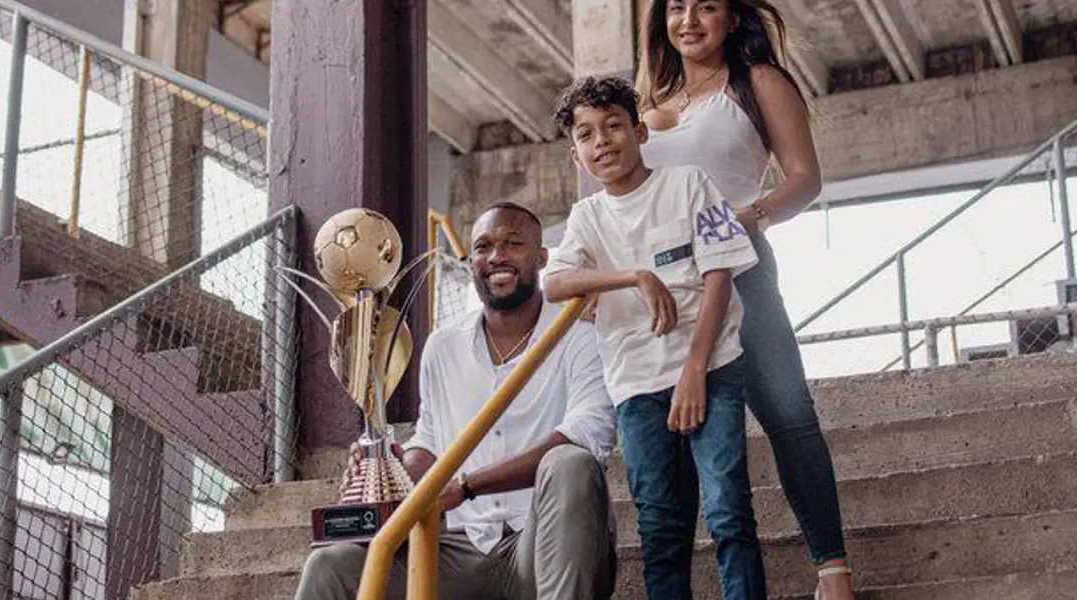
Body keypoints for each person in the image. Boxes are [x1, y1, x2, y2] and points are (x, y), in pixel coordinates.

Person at [634, 1, 854, 599]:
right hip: (667, 293)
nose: (688, 19)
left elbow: (804, 178)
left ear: (732, 19)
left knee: (788, 414)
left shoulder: (757, 82)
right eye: (676, 6)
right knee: (672, 440)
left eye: (705, 5)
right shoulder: (646, 103)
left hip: (742, 272)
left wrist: (745, 218)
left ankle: (832, 569)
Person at [293, 202, 618, 600]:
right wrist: (388, 469)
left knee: (570, 463)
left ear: (541, 256)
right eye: (482, 247)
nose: (496, 256)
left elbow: (588, 435)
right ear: (471, 263)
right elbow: (430, 441)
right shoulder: (443, 345)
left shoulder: (579, 334)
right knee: (333, 565)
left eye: (513, 243)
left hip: (546, 546)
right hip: (463, 551)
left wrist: (467, 486)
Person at [543, 76, 766, 600]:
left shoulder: (690, 183)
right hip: (636, 388)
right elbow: (554, 283)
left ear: (640, 132)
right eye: (587, 135)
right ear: (576, 156)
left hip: (711, 368)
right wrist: (633, 277)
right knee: (661, 529)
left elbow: (720, 273)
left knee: (728, 510)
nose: (603, 142)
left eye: (614, 126)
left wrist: (695, 368)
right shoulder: (586, 217)